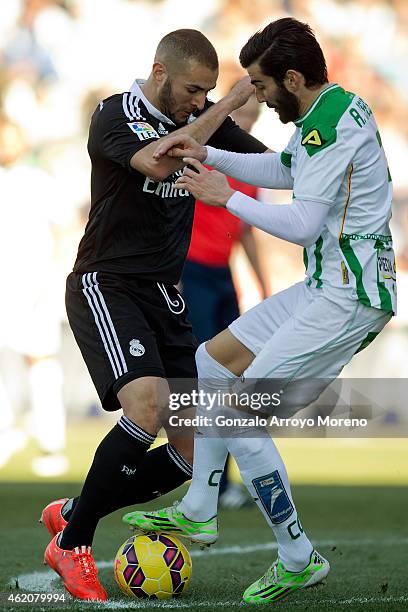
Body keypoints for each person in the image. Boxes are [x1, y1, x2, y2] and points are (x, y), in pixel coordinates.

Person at [122, 18, 397, 604]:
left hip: (349, 298)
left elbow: (301, 225)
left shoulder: (330, 125)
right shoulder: (329, 111)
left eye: (263, 86)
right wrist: (209, 153)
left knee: (243, 414)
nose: (259, 98)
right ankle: (200, 508)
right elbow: (285, 171)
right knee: (211, 362)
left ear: (293, 78)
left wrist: (228, 199)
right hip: (327, 285)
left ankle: (297, 556)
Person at [40, 29, 270, 601]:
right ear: (160, 72)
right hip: (108, 283)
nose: (200, 101)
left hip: (164, 294)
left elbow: (267, 162)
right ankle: (74, 542)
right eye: (194, 90)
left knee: (194, 452)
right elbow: (160, 164)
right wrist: (227, 105)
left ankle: (73, 511)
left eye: (208, 93)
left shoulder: (199, 117)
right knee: (147, 402)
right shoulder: (114, 114)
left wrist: (332, 160)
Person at [181, 93, 268, 508]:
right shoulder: (205, 157)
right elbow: (177, 214)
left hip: (223, 278)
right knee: (207, 380)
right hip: (192, 275)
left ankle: (229, 482)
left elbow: (247, 230)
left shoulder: (249, 167)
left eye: (253, 117)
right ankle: (207, 482)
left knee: (234, 381)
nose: (247, 124)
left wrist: (263, 284)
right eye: (242, 117)